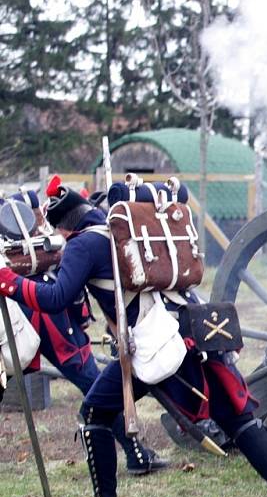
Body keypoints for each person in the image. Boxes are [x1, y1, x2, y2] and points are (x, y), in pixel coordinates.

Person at [0, 184, 267, 497]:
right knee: (237, 418)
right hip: (193, 326)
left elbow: (56, 297)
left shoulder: (83, 244)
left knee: (94, 413)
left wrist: (10, 282)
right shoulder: (124, 232)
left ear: (63, 227)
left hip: (154, 341)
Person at [2, 187, 167, 475]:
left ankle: (135, 452)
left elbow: (62, 290)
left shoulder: (78, 241)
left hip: (45, 312)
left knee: (95, 386)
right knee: (95, 386)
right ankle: (136, 454)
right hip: (30, 311)